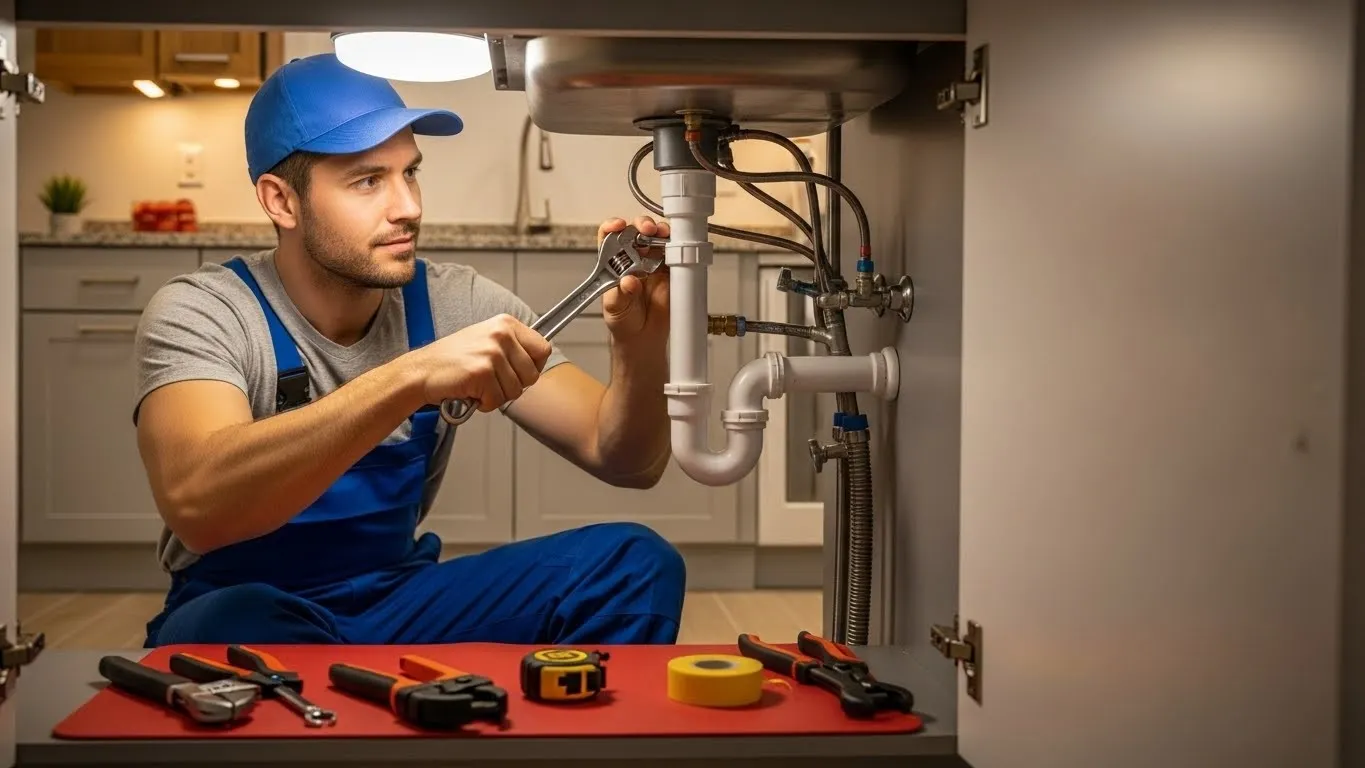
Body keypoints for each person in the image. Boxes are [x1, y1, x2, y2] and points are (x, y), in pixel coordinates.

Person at [132, 53, 685, 647]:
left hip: (397, 601)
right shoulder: (205, 310)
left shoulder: (457, 302)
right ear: (281, 201)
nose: (409, 207)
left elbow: (626, 459)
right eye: (368, 181)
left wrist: (641, 345)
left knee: (634, 565)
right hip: (239, 606)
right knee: (234, 627)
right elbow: (200, 504)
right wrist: (412, 377)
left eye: (410, 173)